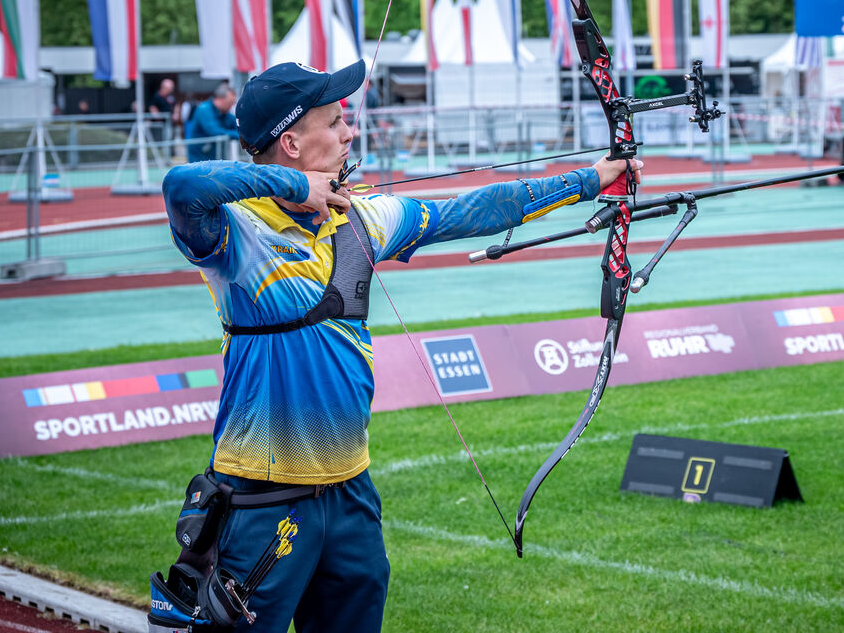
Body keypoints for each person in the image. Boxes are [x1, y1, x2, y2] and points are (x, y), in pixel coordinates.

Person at [158, 59, 641, 632]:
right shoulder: (240, 233)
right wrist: (295, 186)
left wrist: (591, 180)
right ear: (290, 142)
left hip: (350, 493)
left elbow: (476, 210)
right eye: (334, 122)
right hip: (263, 495)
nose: (348, 133)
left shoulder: (362, 217)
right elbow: (181, 186)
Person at [185, 82, 238, 162]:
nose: (231, 106)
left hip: (214, 159)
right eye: (230, 103)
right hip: (200, 161)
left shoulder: (224, 113)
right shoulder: (204, 109)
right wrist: (239, 135)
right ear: (220, 99)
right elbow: (213, 131)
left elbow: (238, 125)